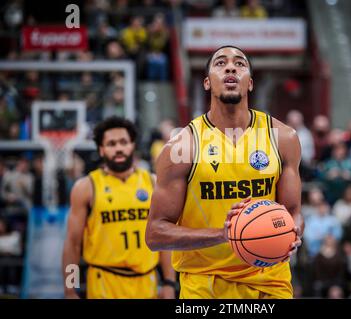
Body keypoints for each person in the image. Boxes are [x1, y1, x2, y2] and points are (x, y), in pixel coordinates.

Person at [146, 45, 303, 299]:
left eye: (240, 63)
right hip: (205, 285)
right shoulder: (182, 146)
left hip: (270, 282)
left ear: (250, 83)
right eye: (220, 63)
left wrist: (291, 232)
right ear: (207, 83)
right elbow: (155, 234)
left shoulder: (283, 138)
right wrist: (224, 234)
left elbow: (293, 211)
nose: (231, 67)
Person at [62, 117, 175, 299]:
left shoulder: (153, 182)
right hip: (103, 284)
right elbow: (72, 244)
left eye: (124, 142)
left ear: (132, 145)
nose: (119, 148)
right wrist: (70, 289)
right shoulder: (86, 187)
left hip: (147, 283)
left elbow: (165, 240)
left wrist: (169, 283)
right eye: (111, 143)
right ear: (101, 149)